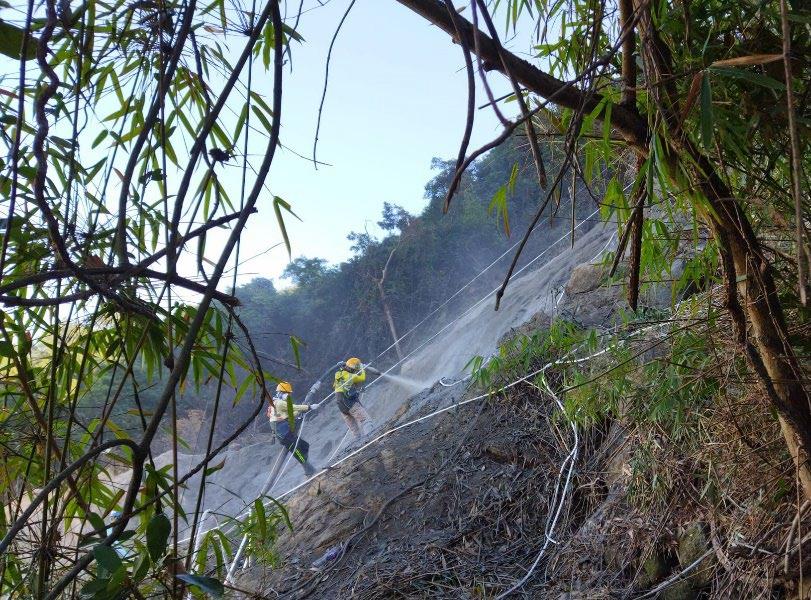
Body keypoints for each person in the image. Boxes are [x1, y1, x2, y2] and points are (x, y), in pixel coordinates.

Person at [267, 381, 319, 477]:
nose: (288, 396)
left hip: (286, 432)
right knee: (298, 453)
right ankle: (309, 471)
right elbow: (294, 407)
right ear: (281, 393)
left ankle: (307, 466)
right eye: (287, 393)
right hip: (284, 435)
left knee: (305, 446)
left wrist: (301, 412)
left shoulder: (275, 404)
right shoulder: (278, 403)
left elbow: (289, 415)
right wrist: (309, 407)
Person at [332, 357, 376, 439]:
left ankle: (358, 444)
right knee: (366, 421)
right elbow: (362, 377)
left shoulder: (338, 374)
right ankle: (371, 439)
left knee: (355, 431)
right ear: (353, 369)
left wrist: (357, 390)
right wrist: (362, 368)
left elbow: (344, 386)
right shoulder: (351, 376)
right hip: (349, 402)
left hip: (341, 406)